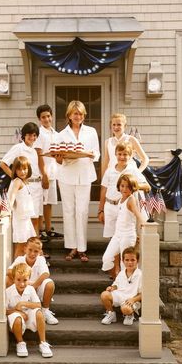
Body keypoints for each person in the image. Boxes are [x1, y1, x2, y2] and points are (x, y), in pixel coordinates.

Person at [56, 100, 100, 262]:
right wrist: (61, 158)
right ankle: (72, 247)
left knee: (82, 211)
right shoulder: (61, 134)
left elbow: (97, 154)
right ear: (69, 115)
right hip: (66, 175)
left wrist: (88, 154)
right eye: (75, 113)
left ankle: (82, 248)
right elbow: (58, 159)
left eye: (81, 113)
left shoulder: (91, 131)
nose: (78, 116)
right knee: (68, 211)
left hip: (85, 175)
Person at [98, 142, 150, 239]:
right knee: (113, 239)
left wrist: (132, 185)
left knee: (126, 237)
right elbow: (103, 190)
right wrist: (100, 210)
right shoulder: (109, 171)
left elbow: (147, 186)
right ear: (115, 154)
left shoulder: (133, 170)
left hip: (125, 207)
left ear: (130, 156)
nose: (122, 157)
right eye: (120, 154)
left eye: (125, 154)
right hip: (109, 206)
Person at [0, 122, 43, 236]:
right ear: (24, 135)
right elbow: (3, 164)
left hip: (37, 186)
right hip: (26, 187)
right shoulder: (18, 148)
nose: (32, 137)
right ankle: (27, 249)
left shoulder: (34, 151)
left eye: (34, 135)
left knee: (36, 219)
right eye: (29, 135)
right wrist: (16, 179)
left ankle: (36, 250)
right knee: (28, 220)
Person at [6, 236, 58, 325]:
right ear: (25, 249)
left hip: (36, 287)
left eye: (36, 251)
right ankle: (13, 307)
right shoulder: (20, 259)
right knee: (8, 279)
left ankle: (45, 310)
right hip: (23, 287)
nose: (32, 253)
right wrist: (23, 284)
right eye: (30, 250)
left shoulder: (41, 259)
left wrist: (33, 286)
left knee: (49, 283)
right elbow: (9, 271)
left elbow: (46, 274)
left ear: (40, 252)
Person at [5, 262, 53, 358]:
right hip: (15, 317)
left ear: (29, 279)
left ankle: (43, 343)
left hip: (28, 314)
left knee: (39, 313)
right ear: (13, 279)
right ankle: (20, 343)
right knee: (17, 318)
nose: (22, 284)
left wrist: (23, 303)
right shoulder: (8, 291)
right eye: (18, 280)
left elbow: (38, 305)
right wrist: (18, 312)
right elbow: (4, 310)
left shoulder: (30, 289)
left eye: (25, 280)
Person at [102, 173, 145, 273]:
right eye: (122, 186)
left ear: (132, 188)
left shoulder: (131, 200)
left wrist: (143, 222)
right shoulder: (121, 199)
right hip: (118, 234)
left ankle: (127, 285)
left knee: (125, 264)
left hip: (127, 235)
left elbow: (136, 212)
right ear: (119, 186)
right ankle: (121, 281)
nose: (124, 189)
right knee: (107, 257)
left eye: (128, 187)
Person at [35, 104, 63, 241]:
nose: (46, 119)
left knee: (49, 202)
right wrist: (44, 175)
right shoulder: (39, 134)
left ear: (51, 116)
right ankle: (40, 230)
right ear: (40, 119)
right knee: (41, 202)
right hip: (42, 173)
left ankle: (48, 229)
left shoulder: (56, 134)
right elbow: (39, 155)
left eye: (48, 116)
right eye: (43, 117)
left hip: (53, 172)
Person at [100, 246, 142, 326]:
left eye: (132, 260)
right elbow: (116, 285)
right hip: (120, 294)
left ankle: (130, 315)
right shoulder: (121, 273)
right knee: (104, 294)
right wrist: (112, 288)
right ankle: (111, 314)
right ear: (122, 261)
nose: (129, 262)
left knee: (125, 309)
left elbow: (143, 293)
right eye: (127, 260)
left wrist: (133, 299)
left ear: (137, 261)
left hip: (131, 298)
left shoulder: (140, 274)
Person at [7, 156, 36, 258]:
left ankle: (22, 270)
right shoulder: (17, 181)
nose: (22, 172)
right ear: (15, 170)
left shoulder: (24, 181)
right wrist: (9, 208)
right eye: (19, 169)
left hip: (25, 218)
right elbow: (12, 195)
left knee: (25, 247)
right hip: (20, 220)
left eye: (24, 169)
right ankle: (16, 272)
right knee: (20, 247)